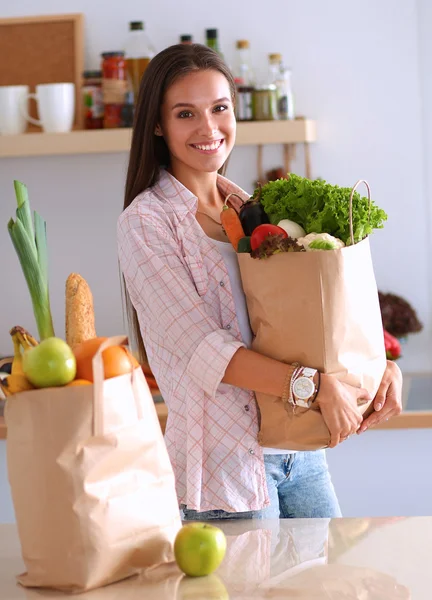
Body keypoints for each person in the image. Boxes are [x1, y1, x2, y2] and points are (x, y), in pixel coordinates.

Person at [117, 43, 402, 520]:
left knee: (325, 592)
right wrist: (311, 385)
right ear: (158, 124)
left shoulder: (251, 208)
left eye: (220, 108)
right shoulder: (146, 223)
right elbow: (201, 349)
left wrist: (380, 368)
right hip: (225, 469)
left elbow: (307, 319)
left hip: (301, 453)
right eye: (186, 113)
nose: (209, 128)